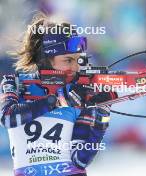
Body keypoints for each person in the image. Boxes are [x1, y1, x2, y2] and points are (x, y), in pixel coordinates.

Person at [0, 13, 117, 176]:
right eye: (68, 60)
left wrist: (102, 117)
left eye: (79, 60)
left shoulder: (81, 93)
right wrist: (59, 101)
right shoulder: (14, 84)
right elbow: (7, 118)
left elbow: (80, 160)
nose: (76, 67)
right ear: (45, 60)